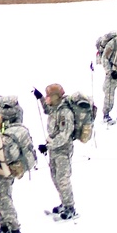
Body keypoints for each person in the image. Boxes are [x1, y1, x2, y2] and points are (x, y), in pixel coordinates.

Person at [34, 83, 76, 218]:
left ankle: (70, 207)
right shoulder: (55, 108)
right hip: (54, 149)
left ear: (56, 97)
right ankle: (64, 202)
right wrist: (40, 98)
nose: (47, 99)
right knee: (55, 178)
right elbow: (47, 110)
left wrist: (48, 146)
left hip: (62, 150)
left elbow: (64, 135)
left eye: (48, 96)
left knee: (63, 179)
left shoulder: (65, 112)